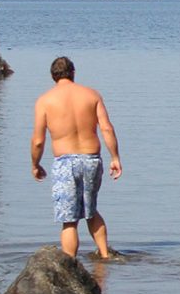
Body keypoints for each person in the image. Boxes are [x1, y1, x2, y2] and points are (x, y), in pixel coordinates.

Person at [31, 56, 122, 258]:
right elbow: (106, 128)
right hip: (91, 159)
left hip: (65, 162)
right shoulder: (92, 95)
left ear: (53, 76)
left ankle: (69, 265)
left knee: (69, 219)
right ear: (73, 72)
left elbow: (38, 140)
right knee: (91, 211)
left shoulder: (45, 101)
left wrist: (35, 164)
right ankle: (105, 257)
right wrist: (115, 157)